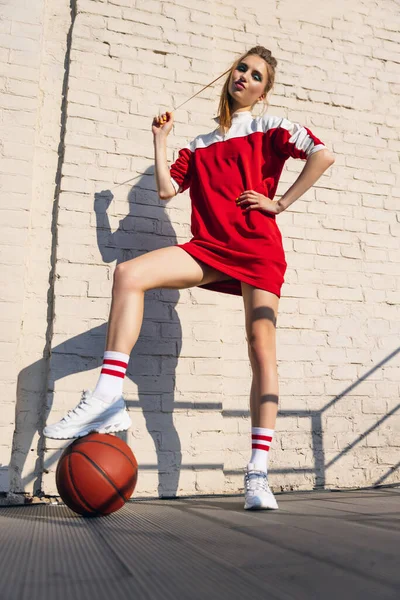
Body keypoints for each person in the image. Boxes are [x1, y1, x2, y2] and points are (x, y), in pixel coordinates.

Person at [44, 45, 335, 510]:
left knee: (260, 347)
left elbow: (323, 155)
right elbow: (165, 189)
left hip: (257, 249)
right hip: (209, 247)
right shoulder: (198, 145)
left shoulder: (272, 128)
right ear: (229, 74)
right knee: (129, 273)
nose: (245, 76)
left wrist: (279, 204)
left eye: (257, 75)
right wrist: (161, 140)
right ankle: (109, 395)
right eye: (241, 67)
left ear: (263, 92)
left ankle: (257, 473)